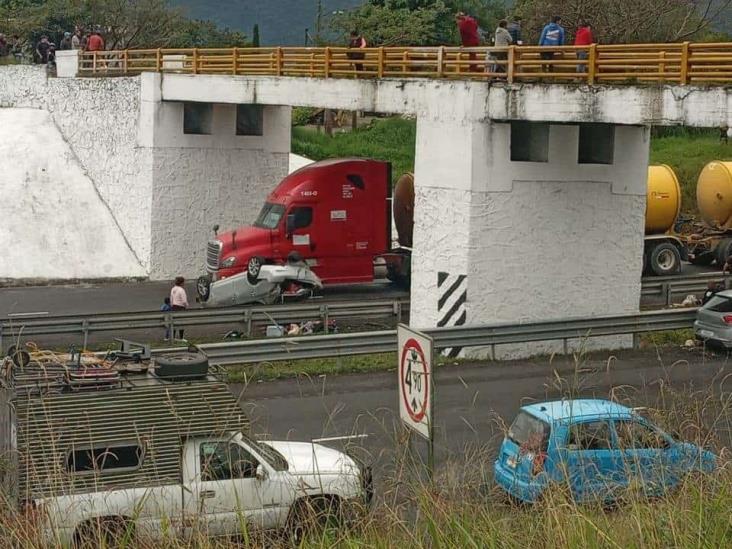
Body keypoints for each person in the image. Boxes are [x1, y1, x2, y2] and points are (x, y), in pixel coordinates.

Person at [170, 276, 189, 341]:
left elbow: (171, 298)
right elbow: (184, 300)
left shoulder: (173, 289)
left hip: (174, 306)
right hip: (180, 307)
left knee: (174, 322)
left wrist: (172, 305)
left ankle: (173, 337)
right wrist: (186, 305)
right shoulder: (181, 290)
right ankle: (181, 337)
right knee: (181, 322)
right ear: (181, 283)